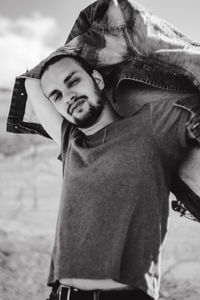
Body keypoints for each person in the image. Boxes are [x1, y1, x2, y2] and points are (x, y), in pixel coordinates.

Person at [25, 53, 200, 300]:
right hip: (61, 295)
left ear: (96, 78)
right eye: (56, 95)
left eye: (73, 81)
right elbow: (30, 82)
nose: (68, 96)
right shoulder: (70, 142)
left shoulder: (153, 124)